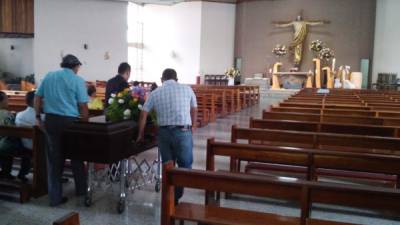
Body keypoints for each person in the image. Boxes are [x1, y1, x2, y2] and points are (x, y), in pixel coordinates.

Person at [35, 54, 89, 206]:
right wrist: (84, 125)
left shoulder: (49, 76)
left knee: (54, 160)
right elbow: (83, 106)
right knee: (77, 156)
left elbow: (37, 97)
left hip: (51, 120)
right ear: (76, 66)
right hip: (70, 123)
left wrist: (38, 117)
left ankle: (55, 198)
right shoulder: (77, 80)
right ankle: (81, 191)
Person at [137, 68, 197, 203]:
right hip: (183, 132)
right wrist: (193, 126)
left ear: (161, 80)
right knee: (185, 166)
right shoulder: (187, 89)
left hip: (163, 134)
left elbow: (143, 113)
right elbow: (194, 108)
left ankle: (170, 197)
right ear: (176, 79)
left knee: (167, 165)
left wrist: (140, 134)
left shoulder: (155, 92)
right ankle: (176, 195)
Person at [0, 91, 28, 181]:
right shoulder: (7, 114)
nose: (8, 101)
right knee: (22, 148)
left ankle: (5, 172)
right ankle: (13, 174)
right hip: (4, 145)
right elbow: (13, 132)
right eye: (6, 99)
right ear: (2, 101)